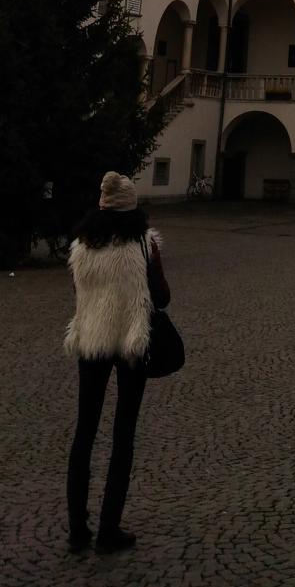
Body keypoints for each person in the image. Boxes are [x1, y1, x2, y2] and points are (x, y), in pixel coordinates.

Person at [64, 171, 170, 555]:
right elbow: (162, 296)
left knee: (85, 432)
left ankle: (78, 530)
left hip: (91, 339)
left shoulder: (81, 245)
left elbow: (78, 290)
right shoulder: (144, 244)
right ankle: (109, 529)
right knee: (123, 435)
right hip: (130, 342)